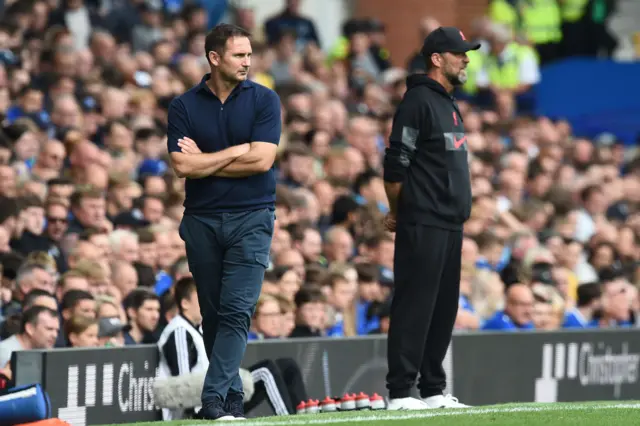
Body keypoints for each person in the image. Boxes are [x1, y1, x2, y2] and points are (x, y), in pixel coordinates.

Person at [167, 24, 281, 421]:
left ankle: (212, 400)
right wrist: (236, 152)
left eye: (249, 54)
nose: (248, 61)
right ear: (214, 58)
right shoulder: (183, 105)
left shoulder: (265, 100)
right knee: (213, 314)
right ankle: (232, 399)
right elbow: (182, 165)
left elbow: (263, 160)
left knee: (236, 311)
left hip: (253, 216)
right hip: (201, 220)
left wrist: (206, 162)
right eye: (239, 55)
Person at [382, 27, 478, 411]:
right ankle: (401, 391)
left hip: (451, 223)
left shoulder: (448, 103)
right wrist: (399, 211)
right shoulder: (418, 101)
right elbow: (395, 165)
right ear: (437, 58)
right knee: (415, 305)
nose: (467, 58)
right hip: (423, 221)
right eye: (459, 53)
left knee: (442, 308)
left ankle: (434, 388)